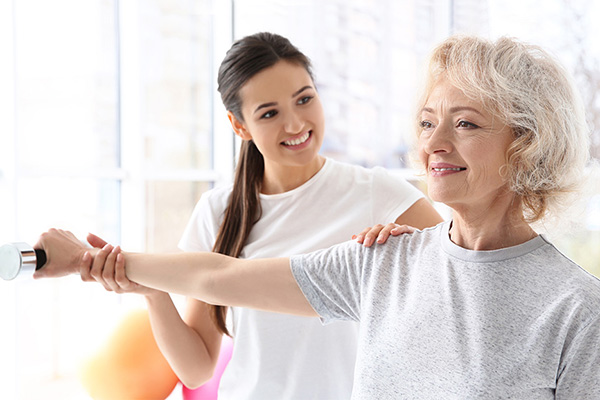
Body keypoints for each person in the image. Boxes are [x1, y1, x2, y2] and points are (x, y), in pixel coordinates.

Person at [36, 34, 600, 398]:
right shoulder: (381, 262)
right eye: (428, 122)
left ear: (528, 144)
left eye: (467, 124)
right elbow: (217, 278)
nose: (434, 145)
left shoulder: (577, 308)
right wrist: (92, 262)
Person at [45, 32, 441, 400]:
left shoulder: (379, 195)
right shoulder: (217, 212)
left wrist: (408, 258)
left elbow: (460, 276)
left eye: (304, 99)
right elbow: (198, 369)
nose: (296, 124)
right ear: (240, 125)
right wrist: (154, 293)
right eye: (269, 113)